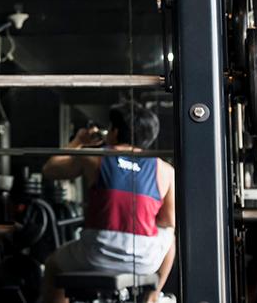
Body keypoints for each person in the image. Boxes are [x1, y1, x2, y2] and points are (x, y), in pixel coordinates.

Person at [39, 101, 176, 303]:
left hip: (97, 254)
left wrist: (78, 141)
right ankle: (153, 296)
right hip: (145, 261)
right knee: (170, 235)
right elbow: (167, 221)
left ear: (115, 131)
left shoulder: (94, 157)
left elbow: (50, 169)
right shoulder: (165, 170)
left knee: (52, 265)